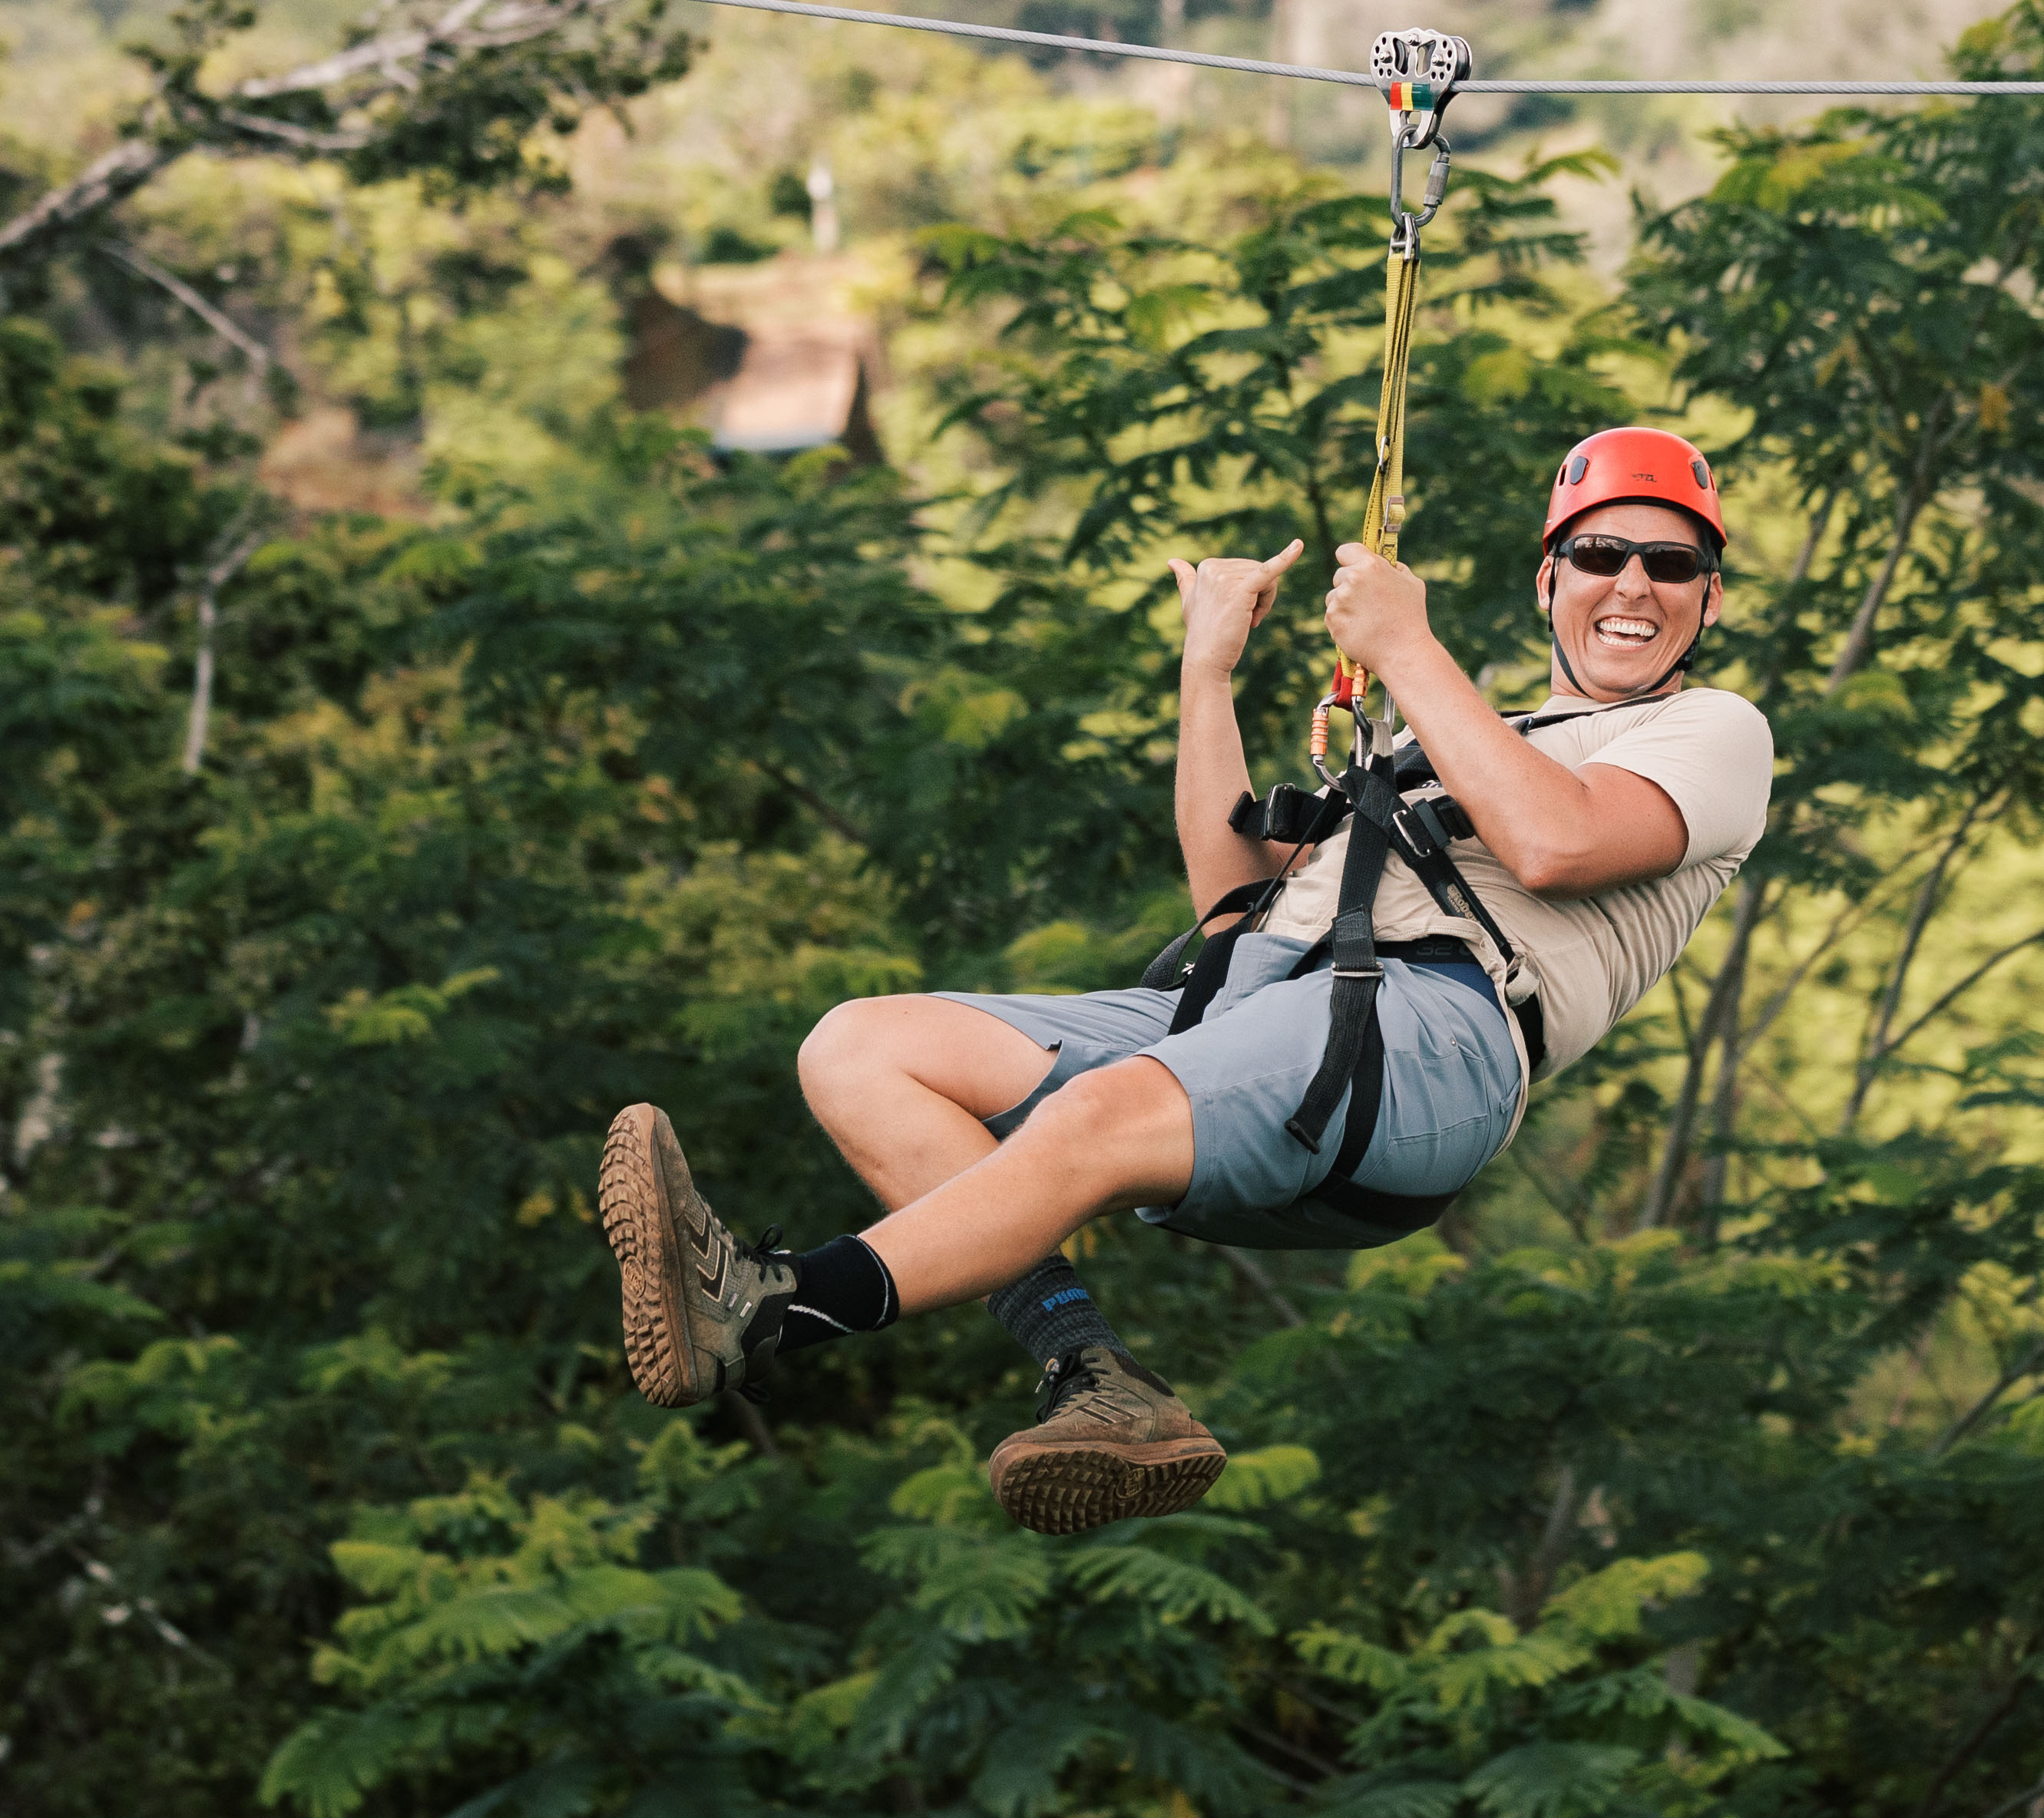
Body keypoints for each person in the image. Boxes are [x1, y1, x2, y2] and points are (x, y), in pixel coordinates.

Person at [597, 428, 1778, 1532]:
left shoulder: (1713, 733)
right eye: (1599, 554)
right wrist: (1207, 674)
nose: (1632, 585)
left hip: (1433, 1037)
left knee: (1098, 1110)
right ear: (1550, 580)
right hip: (1277, 1000)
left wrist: (1409, 650)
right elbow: (1232, 911)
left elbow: (1556, 844)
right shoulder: (1472, 732)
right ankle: (1095, 1378)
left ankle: (770, 1305)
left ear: (1707, 598)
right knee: (860, 1048)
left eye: (1669, 563)